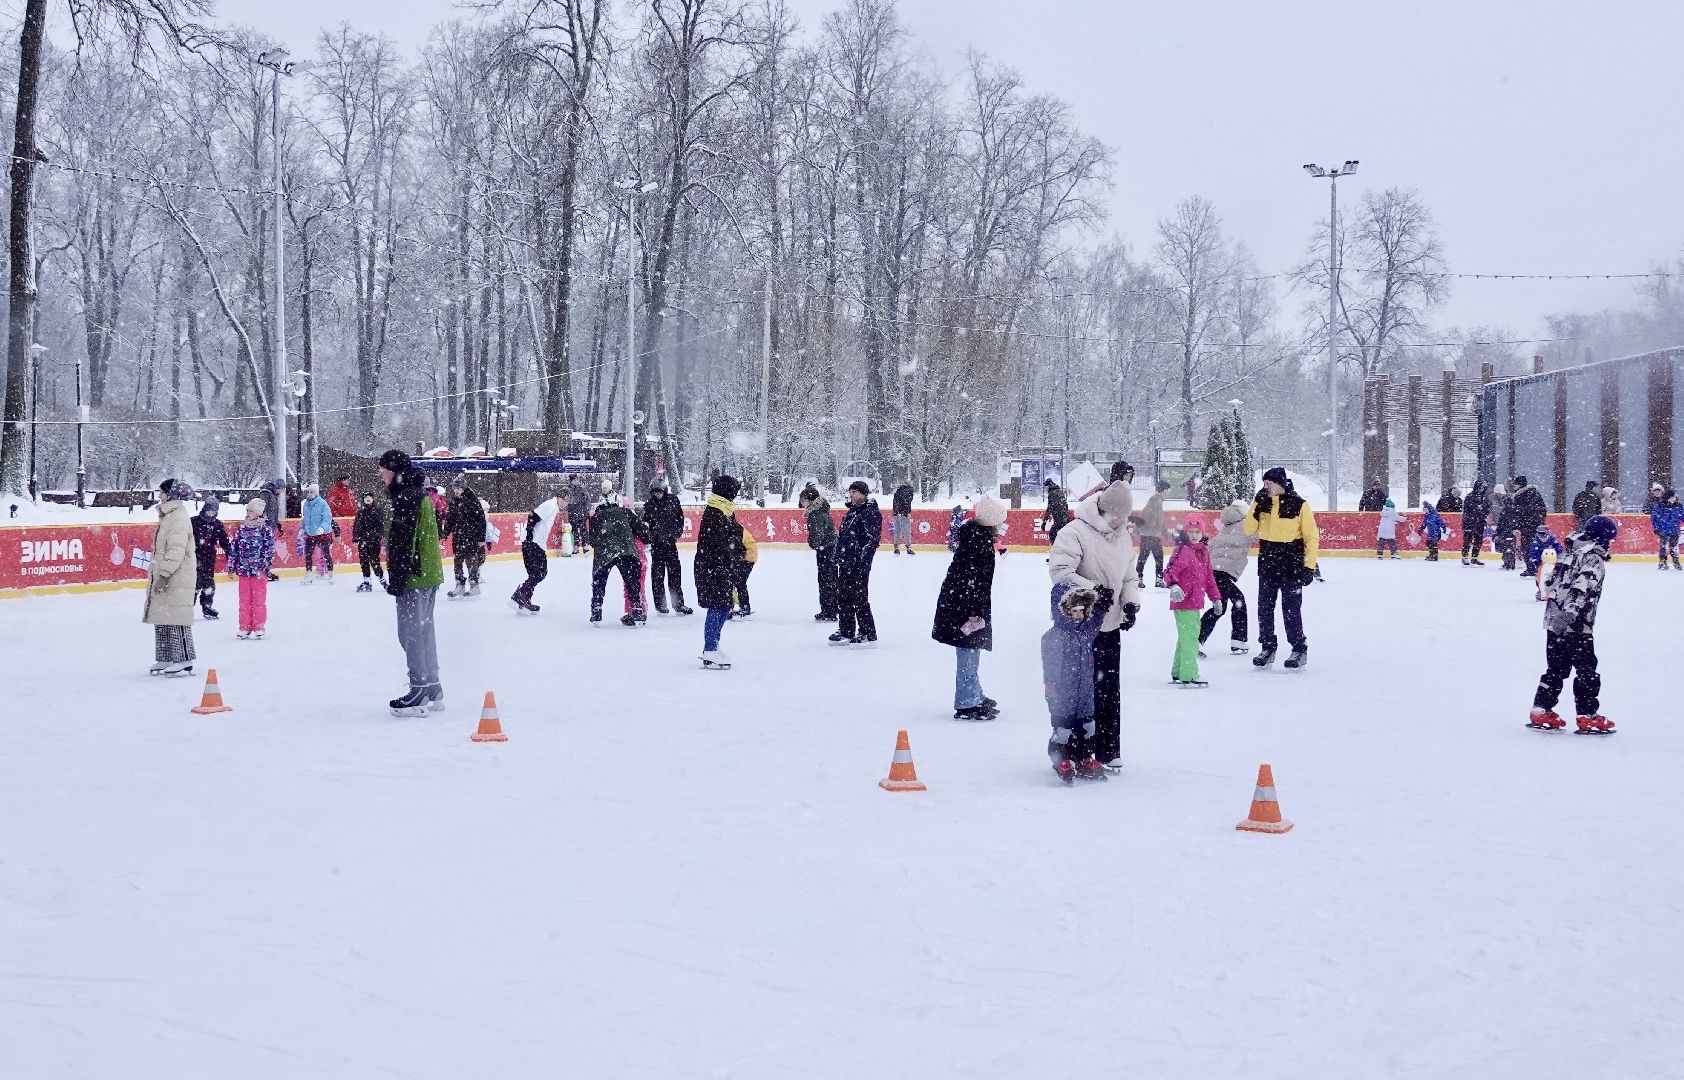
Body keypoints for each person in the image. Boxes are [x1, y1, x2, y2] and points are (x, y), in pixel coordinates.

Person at [1049, 481, 1141, 770]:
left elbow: (1129, 576)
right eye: (1115, 515)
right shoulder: (1074, 532)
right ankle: (1074, 750)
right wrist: (1092, 591)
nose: (1119, 521)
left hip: (1110, 625)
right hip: (1080, 628)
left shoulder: (1122, 537)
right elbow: (1060, 572)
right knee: (1079, 692)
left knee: (1109, 688)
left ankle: (1108, 748)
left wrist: (1130, 603)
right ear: (1102, 509)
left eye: (1123, 516)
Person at [1527, 515, 1617, 735]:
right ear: (1602, 539)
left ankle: (1541, 709)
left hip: (1554, 621)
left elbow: (1550, 582)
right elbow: (1580, 590)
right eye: (1610, 540)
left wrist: (1558, 615)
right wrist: (1569, 615)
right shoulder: (1593, 560)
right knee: (1587, 670)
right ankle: (1588, 715)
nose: (1611, 544)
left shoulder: (1568, 552)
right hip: (1576, 624)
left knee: (1556, 668)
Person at [380, 450, 446, 717]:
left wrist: (397, 579)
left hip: (414, 575)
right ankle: (432, 687)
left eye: (383, 468)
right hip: (428, 573)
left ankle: (418, 690)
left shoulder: (406, 497)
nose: (380, 473)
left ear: (394, 471)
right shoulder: (419, 493)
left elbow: (402, 543)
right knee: (424, 630)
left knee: (410, 633)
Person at [932, 494, 1004, 721]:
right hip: (964, 606)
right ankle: (966, 702)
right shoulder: (978, 542)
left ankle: (974, 693)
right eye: (999, 521)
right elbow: (971, 580)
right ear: (991, 521)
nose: (1001, 525)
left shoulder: (978, 537)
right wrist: (974, 612)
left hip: (963, 603)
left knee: (972, 650)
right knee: (968, 650)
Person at [1244, 467, 1319, 670]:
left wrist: (1309, 566)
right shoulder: (1263, 503)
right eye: (1264, 483)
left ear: (1280, 484)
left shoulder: (1300, 505)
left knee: (1291, 610)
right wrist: (1256, 505)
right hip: (1268, 565)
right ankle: (1268, 647)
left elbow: (1311, 538)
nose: (1265, 487)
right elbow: (1248, 529)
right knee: (1264, 609)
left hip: (1291, 566)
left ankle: (1299, 649)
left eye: (1269, 483)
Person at [1042, 582, 1115, 784]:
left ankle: (1083, 757)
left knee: (1086, 727)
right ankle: (1061, 758)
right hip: (1062, 694)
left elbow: (1096, 621)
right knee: (1064, 728)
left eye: (1081, 611)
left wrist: (1102, 606)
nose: (1078, 615)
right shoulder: (1054, 637)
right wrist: (1051, 686)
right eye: (1073, 610)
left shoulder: (1085, 632)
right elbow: (1051, 666)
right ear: (1062, 611)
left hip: (1084, 693)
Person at [144, 479, 199, 677]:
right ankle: (166, 656)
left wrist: (165, 574)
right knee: (162, 616)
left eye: (162, 492)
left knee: (176, 618)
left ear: (171, 494)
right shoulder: (168, 515)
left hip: (177, 576)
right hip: (166, 574)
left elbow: (176, 550)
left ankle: (184, 659)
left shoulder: (178, 517)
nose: (159, 496)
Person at [694, 474, 744, 668]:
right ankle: (710, 648)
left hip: (720, 566)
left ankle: (713, 644)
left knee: (725, 605)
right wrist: (735, 542)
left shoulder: (724, 510)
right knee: (718, 606)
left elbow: (732, 536)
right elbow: (720, 543)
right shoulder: (715, 513)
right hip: (712, 568)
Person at [1164, 516, 1220, 687]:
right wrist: (1174, 586)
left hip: (1195, 602)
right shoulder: (1183, 550)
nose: (1194, 535)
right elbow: (1169, 571)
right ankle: (1189, 674)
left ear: (1202, 533)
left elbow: (1209, 578)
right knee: (1190, 638)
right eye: (1190, 532)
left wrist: (1215, 598)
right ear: (1186, 533)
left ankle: (1178, 671)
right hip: (1183, 601)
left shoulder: (1204, 552)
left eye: (1197, 532)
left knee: (1186, 637)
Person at [588, 480, 648, 625]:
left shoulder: (596, 517)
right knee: (631, 581)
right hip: (626, 551)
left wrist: (604, 544)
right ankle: (637, 609)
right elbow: (642, 530)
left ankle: (596, 609)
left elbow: (591, 540)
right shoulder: (625, 512)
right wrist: (646, 539)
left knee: (599, 580)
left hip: (604, 553)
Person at [832, 480, 883, 646]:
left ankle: (867, 632)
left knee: (859, 598)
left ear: (863, 494)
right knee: (844, 597)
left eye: (855, 492)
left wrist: (862, 561)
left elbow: (872, 540)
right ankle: (846, 630)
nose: (851, 495)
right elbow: (844, 538)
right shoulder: (852, 512)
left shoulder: (870, 512)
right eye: (850, 492)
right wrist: (839, 556)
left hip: (859, 564)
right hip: (845, 562)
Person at [1201, 501, 1251, 653]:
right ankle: (1195, 639)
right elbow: (1262, 534)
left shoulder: (1225, 529)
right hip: (1223, 573)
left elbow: (1211, 548)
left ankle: (1238, 640)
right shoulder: (1246, 525)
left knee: (1238, 600)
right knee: (1220, 608)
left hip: (1214, 571)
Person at [643, 477, 691, 615]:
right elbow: (645, 524)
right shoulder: (649, 505)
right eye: (655, 492)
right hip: (657, 546)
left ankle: (678, 604)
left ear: (664, 491)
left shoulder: (673, 500)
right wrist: (652, 536)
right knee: (657, 577)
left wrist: (676, 533)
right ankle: (661, 606)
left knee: (675, 575)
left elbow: (680, 518)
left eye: (660, 492)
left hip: (670, 544)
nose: (657, 495)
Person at [229, 498, 276, 638]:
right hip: (243, 570)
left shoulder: (265, 530)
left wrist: (264, 566)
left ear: (258, 513)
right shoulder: (241, 529)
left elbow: (270, 550)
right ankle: (244, 626)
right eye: (247, 510)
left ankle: (258, 626)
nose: (248, 512)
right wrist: (231, 566)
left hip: (259, 572)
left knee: (258, 600)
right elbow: (234, 549)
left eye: (251, 510)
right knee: (244, 600)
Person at [512, 489, 563, 613]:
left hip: (532, 543)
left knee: (534, 574)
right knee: (540, 572)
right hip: (534, 543)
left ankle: (525, 599)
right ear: (558, 497)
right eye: (564, 500)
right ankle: (520, 594)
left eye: (567, 501)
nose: (565, 503)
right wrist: (530, 537)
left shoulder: (554, 507)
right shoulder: (551, 505)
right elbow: (532, 516)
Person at [444, 476, 488, 598]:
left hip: (471, 536)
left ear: (463, 488)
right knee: (457, 560)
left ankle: (474, 585)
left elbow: (481, 520)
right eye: (454, 488)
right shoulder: (454, 502)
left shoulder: (472, 500)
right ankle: (459, 584)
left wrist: (481, 538)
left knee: (471, 560)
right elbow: (450, 519)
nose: (456, 491)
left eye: (458, 488)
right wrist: (445, 533)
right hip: (458, 536)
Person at [801, 483, 840, 621]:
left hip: (826, 549)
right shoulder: (821, 509)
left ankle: (828, 611)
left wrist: (814, 544)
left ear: (809, 499)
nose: (802, 504)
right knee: (831, 578)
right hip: (831, 547)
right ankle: (833, 608)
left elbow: (817, 534)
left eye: (803, 500)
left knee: (825, 580)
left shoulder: (815, 513)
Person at [190, 497, 231, 619]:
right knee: (194, 584)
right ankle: (187, 607)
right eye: (209, 510)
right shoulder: (194, 522)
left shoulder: (217, 524)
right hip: (194, 557)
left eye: (213, 511)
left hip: (209, 558)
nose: (211, 513)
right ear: (204, 509)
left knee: (209, 584)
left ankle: (207, 606)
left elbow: (224, 541)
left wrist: (230, 554)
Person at [1134, 480, 1170, 589]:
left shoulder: (1156, 500)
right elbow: (1147, 515)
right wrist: (1151, 528)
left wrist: (1164, 532)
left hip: (1150, 534)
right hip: (1151, 535)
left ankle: (1138, 578)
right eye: (1167, 490)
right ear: (1163, 490)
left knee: (1145, 557)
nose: (1168, 492)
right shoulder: (1156, 500)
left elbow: (1159, 520)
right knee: (1157, 557)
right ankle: (1156, 579)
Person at [1508, 476, 1547, 572]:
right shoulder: (1536, 494)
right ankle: (1538, 567)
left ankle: (1530, 568)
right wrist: (1540, 520)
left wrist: (1515, 526)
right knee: (1537, 545)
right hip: (1537, 524)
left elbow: (1517, 513)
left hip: (1526, 525)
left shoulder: (1519, 496)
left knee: (1527, 546)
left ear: (1518, 485)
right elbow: (1543, 510)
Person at [300, 482, 336, 584]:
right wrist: (302, 528)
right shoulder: (305, 504)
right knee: (308, 554)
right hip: (310, 533)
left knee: (326, 554)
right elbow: (305, 518)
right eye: (308, 492)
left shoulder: (323, 504)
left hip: (322, 534)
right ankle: (309, 574)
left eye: (312, 492)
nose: (309, 494)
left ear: (316, 493)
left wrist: (322, 528)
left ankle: (330, 574)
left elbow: (327, 518)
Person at [353, 493, 387, 592]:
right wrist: (356, 538)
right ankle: (367, 581)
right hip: (363, 541)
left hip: (373, 541)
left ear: (373, 499)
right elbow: (356, 525)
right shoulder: (361, 512)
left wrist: (377, 536)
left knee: (374, 561)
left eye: (369, 497)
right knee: (364, 562)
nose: (367, 499)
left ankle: (383, 581)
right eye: (365, 497)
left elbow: (381, 526)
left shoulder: (377, 511)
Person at [1649, 488, 1684, 570]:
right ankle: (1662, 562)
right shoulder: (1660, 506)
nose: (1674, 499)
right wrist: (1656, 527)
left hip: (1674, 530)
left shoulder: (1678, 506)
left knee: (1674, 547)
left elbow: (1682, 516)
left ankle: (1676, 561)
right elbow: (1655, 518)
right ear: (1668, 498)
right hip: (1663, 530)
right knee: (1663, 546)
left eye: (1674, 497)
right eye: (1672, 497)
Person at [1528, 522, 1563, 599]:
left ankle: (1554, 591)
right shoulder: (1536, 542)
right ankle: (1541, 590)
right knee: (1539, 577)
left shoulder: (1552, 539)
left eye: (1543, 534)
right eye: (1539, 534)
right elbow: (1534, 551)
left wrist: (1560, 557)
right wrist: (1536, 560)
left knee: (1555, 576)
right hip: (1541, 563)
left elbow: (1559, 549)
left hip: (1553, 562)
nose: (1542, 536)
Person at [1461, 479, 1491, 566]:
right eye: (1480, 487)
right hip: (1469, 522)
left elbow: (1487, 508)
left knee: (1478, 540)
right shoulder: (1470, 496)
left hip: (1480, 522)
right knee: (1468, 540)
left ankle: (1474, 557)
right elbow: (1467, 509)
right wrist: (1477, 508)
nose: (1481, 489)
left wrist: (1483, 512)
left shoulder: (1484, 497)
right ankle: (1465, 557)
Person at [260, 478, 284, 581]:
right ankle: (263, 572)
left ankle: (266, 571)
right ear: (278, 487)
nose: (282, 492)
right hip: (265, 528)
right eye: (282, 489)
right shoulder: (266, 493)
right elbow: (261, 509)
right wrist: (264, 522)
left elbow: (273, 513)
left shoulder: (274, 495)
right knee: (265, 550)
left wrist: (277, 524)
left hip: (270, 527)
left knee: (269, 551)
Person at [734, 521, 759, 618]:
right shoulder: (734, 528)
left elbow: (737, 547)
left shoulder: (735, 530)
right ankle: (742, 606)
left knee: (740, 582)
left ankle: (745, 607)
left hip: (748, 557)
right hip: (746, 556)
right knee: (737, 582)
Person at [1041, 478, 1070, 551]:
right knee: (1060, 535)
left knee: (1052, 534)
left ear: (1048, 486)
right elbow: (1065, 505)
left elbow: (1049, 508)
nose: (1045, 489)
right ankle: (1061, 550)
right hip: (1064, 518)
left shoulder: (1052, 493)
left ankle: (1056, 551)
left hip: (1059, 519)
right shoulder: (1059, 491)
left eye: (1045, 487)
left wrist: (1044, 521)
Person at [891, 480, 916, 555]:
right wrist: (907, 512)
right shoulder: (910, 490)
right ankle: (909, 548)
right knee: (907, 531)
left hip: (896, 514)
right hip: (904, 514)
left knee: (897, 531)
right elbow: (908, 502)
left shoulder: (898, 491)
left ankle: (896, 548)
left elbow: (895, 502)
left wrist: (896, 512)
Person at [567, 480, 593, 554]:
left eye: (576, 479)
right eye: (573, 480)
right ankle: (576, 545)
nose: (575, 481)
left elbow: (588, 499)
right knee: (574, 530)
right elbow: (567, 500)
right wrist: (569, 509)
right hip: (573, 513)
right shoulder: (569, 490)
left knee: (583, 530)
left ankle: (585, 545)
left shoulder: (582, 489)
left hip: (582, 513)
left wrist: (587, 509)